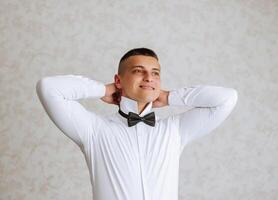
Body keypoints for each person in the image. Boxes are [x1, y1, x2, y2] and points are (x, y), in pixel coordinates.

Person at [36, 47, 238, 200]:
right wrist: (103, 90)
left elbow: (227, 99)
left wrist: (169, 97)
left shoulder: (174, 130)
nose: (149, 78)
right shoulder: (94, 130)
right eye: (138, 71)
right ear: (119, 80)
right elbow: (49, 88)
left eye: (155, 73)